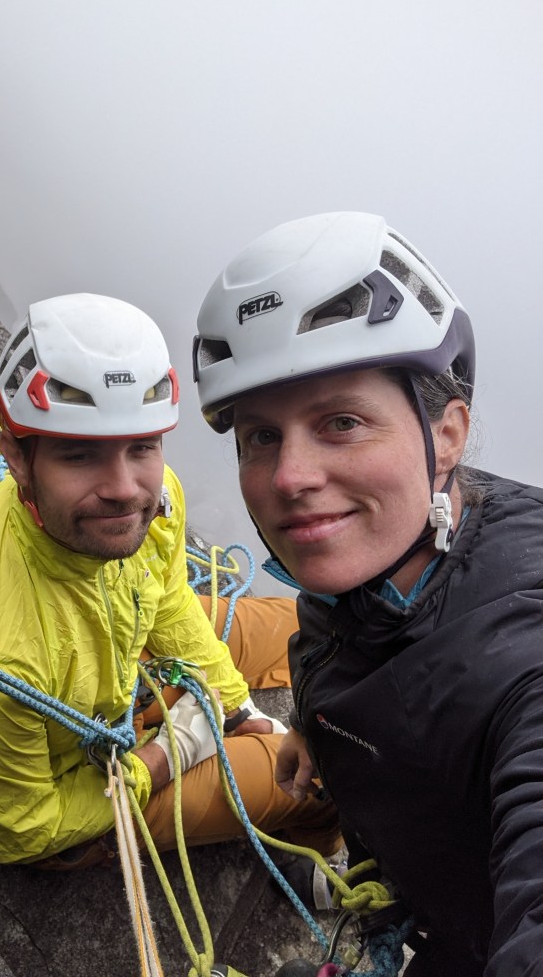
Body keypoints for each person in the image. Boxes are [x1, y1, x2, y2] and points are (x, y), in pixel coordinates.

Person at [192, 209, 543, 975]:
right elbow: (350, 634)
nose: (290, 478)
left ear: (446, 434)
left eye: (342, 422)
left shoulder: (526, 647)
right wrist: (317, 736)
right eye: (261, 436)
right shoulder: (381, 559)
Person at [0, 292, 341, 869]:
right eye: (80, 455)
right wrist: (169, 752)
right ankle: (314, 870)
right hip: (68, 778)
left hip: (115, 651)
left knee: (308, 629)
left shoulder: (150, 501)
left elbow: (168, 600)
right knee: (323, 780)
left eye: (142, 447)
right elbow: (26, 832)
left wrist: (229, 706)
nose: (125, 488)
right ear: (18, 460)